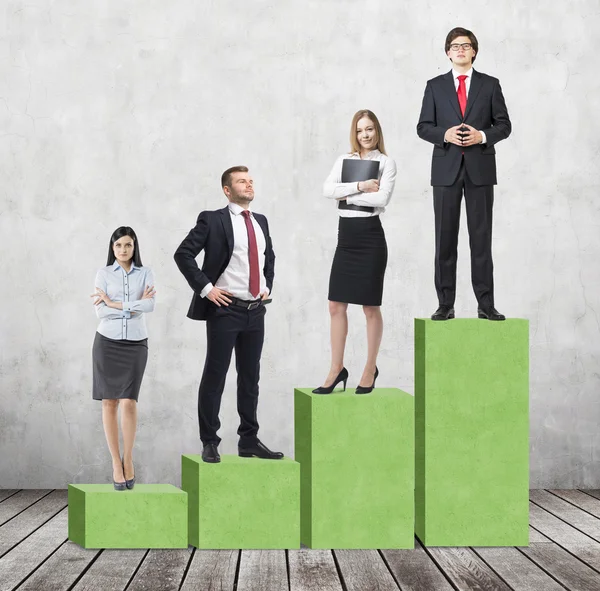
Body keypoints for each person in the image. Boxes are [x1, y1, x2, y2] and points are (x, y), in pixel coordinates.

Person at [174, 166, 283, 464]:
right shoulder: (212, 219)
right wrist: (207, 289)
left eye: (250, 181)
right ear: (227, 189)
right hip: (225, 311)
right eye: (241, 181)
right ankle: (210, 441)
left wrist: (267, 286)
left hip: (255, 312)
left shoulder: (260, 221)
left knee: (250, 378)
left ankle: (248, 440)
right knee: (215, 376)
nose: (248, 185)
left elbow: (268, 258)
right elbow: (183, 254)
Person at [417, 27, 511, 321]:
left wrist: (482, 136)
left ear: (474, 51)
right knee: (444, 239)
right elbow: (423, 126)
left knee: (480, 240)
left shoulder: (490, 85)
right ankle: (445, 304)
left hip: (479, 171)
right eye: (455, 45)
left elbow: (504, 125)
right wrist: (443, 134)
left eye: (466, 45)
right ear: (447, 52)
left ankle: (486, 304)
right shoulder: (434, 86)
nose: (460, 49)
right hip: (445, 171)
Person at [313, 109, 397, 395]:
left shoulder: (386, 163)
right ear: (355, 133)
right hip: (345, 239)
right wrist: (360, 186)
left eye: (370, 129)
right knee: (336, 305)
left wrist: (345, 193)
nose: (366, 135)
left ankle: (369, 368)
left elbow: (381, 198)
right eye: (361, 130)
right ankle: (337, 369)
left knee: (370, 307)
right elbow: (327, 190)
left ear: (377, 131)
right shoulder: (344, 160)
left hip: (371, 238)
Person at [91, 227, 155, 490]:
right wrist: (132, 308)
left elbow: (149, 306)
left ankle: (128, 459)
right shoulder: (103, 274)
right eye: (118, 245)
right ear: (112, 247)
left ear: (134, 246)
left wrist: (115, 305)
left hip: (136, 344)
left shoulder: (146, 273)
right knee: (109, 401)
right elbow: (99, 312)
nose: (123, 250)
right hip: (107, 343)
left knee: (129, 401)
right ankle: (115, 464)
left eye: (128, 245)